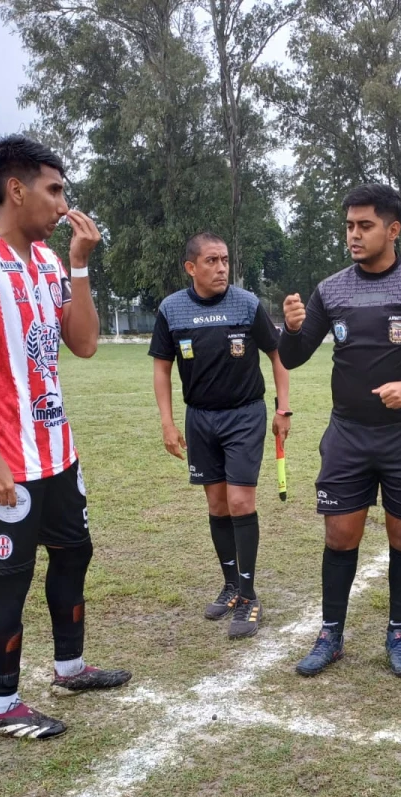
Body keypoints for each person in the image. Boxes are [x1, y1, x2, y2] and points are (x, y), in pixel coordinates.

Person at [0, 135, 130, 740]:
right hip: (1, 462)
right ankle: (3, 705)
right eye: (55, 190)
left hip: (56, 451)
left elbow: (84, 343)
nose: (64, 204)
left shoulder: (46, 261)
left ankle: (70, 668)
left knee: (74, 554)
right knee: (9, 579)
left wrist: (80, 263)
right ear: (16, 190)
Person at [279, 184, 401, 678]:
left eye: (365, 225)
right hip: (348, 433)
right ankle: (331, 634)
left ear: (393, 229)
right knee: (339, 533)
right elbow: (294, 357)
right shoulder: (331, 289)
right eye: (349, 225)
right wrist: (292, 329)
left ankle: (398, 633)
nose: (354, 235)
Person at [149, 233, 291, 639]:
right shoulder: (171, 309)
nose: (221, 268)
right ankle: (230, 585)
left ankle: (248, 595)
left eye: (225, 260)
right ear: (191, 267)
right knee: (217, 503)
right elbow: (161, 368)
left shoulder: (247, 304)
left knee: (241, 501)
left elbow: (278, 356)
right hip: (200, 418)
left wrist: (283, 408)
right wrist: (168, 422)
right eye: (211, 260)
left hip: (245, 415)